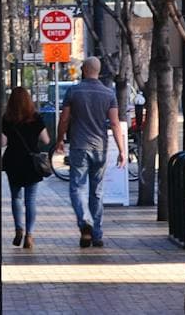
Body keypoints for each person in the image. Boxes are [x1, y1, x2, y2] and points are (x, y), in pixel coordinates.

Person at [55, 56, 126, 248]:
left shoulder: (73, 91)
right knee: (97, 191)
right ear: (98, 71)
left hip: (79, 145)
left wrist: (60, 139)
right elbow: (114, 123)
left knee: (77, 187)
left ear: (84, 70)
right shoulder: (108, 93)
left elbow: (64, 119)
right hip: (100, 147)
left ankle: (85, 220)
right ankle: (97, 234)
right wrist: (122, 150)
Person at [2, 86, 52, 249]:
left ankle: (18, 229)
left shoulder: (7, 119)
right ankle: (29, 235)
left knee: (16, 197)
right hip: (31, 163)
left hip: (13, 161)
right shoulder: (36, 118)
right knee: (30, 200)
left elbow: (2, 142)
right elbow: (46, 140)